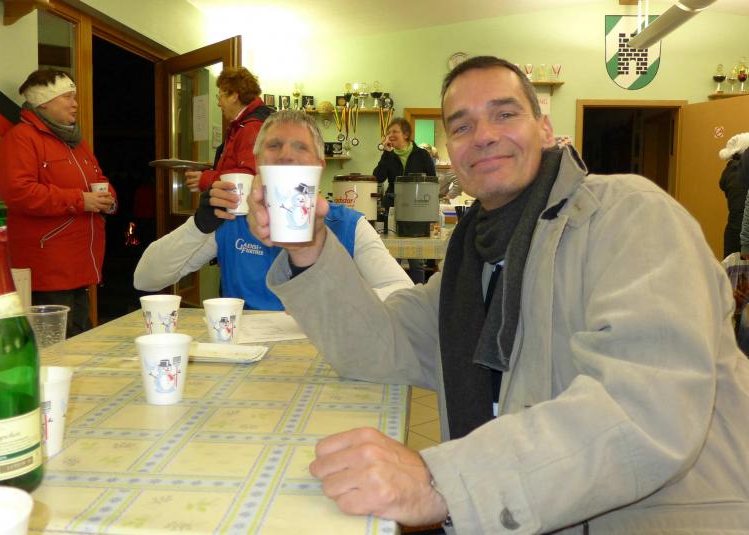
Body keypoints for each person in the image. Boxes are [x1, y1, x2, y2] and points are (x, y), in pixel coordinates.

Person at [249, 56, 749, 532]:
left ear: (545, 129)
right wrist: (308, 248)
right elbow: (378, 347)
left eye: (505, 114)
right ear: (451, 151)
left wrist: (441, 482)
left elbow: (647, 407)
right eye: (462, 126)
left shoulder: (629, 215)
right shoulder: (473, 261)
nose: (484, 135)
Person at [134, 110, 412, 309]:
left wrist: (338, 299)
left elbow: (404, 296)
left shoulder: (348, 225)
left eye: (300, 147)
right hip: (245, 360)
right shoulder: (230, 219)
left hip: (323, 354)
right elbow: (146, 278)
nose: (286, 155)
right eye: (274, 145)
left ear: (319, 165)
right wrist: (198, 226)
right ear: (257, 162)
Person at [0, 69, 116, 336]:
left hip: (81, 266)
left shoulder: (78, 143)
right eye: (68, 97)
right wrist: (80, 200)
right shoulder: (20, 139)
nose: (75, 104)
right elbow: (19, 193)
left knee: (79, 343)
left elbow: (100, 179)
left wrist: (109, 200)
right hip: (48, 272)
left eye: (75, 97)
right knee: (54, 348)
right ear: (43, 102)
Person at [184, 66, 273, 193]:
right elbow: (237, 165)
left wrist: (205, 179)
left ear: (234, 96)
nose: (219, 103)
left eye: (220, 97)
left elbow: (248, 176)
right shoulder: (241, 126)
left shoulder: (252, 127)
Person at [373, 118, 437, 283]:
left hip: (416, 211)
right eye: (389, 132)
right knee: (393, 259)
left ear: (406, 134)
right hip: (393, 209)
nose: (390, 135)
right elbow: (377, 178)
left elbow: (432, 180)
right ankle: (394, 291)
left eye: (395, 131)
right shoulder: (389, 155)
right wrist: (386, 153)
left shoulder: (422, 155)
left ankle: (419, 292)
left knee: (416, 261)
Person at [718, 132, 749, 256]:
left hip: (739, 237)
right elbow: (740, 212)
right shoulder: (737, 174)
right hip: (740, 241)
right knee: (740, 269)